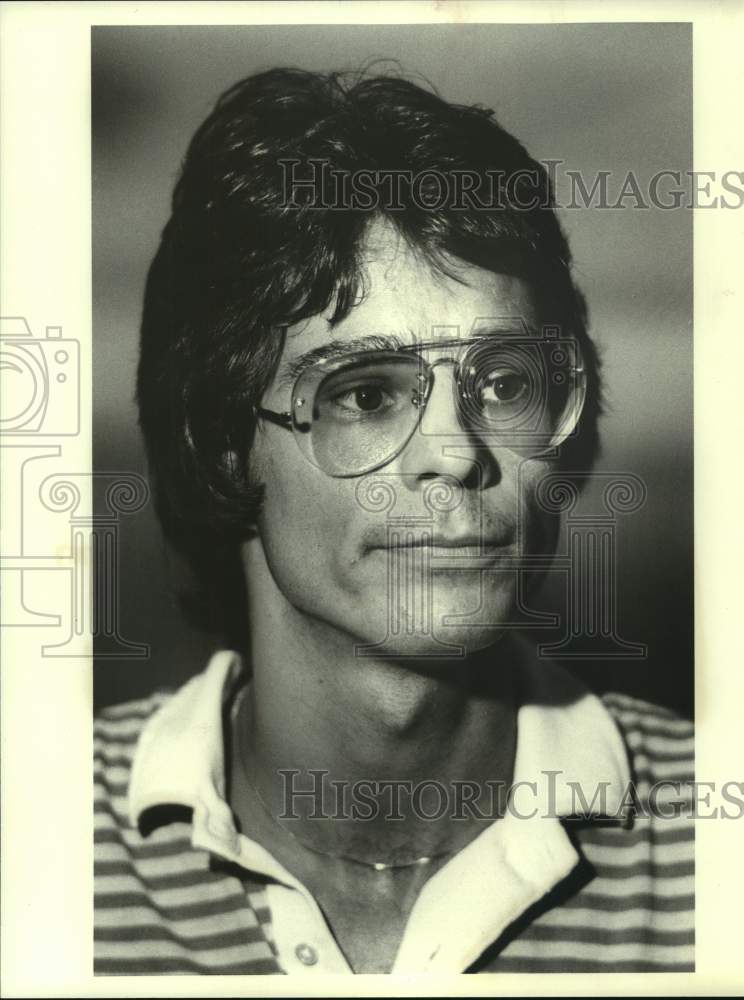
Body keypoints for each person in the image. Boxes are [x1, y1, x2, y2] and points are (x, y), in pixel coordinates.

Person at [94, 68, 694, 975]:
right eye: (367, 393)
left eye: (504, 384)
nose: (455, 454)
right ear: (224, 442)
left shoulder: (730, 837)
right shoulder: (46, 829)